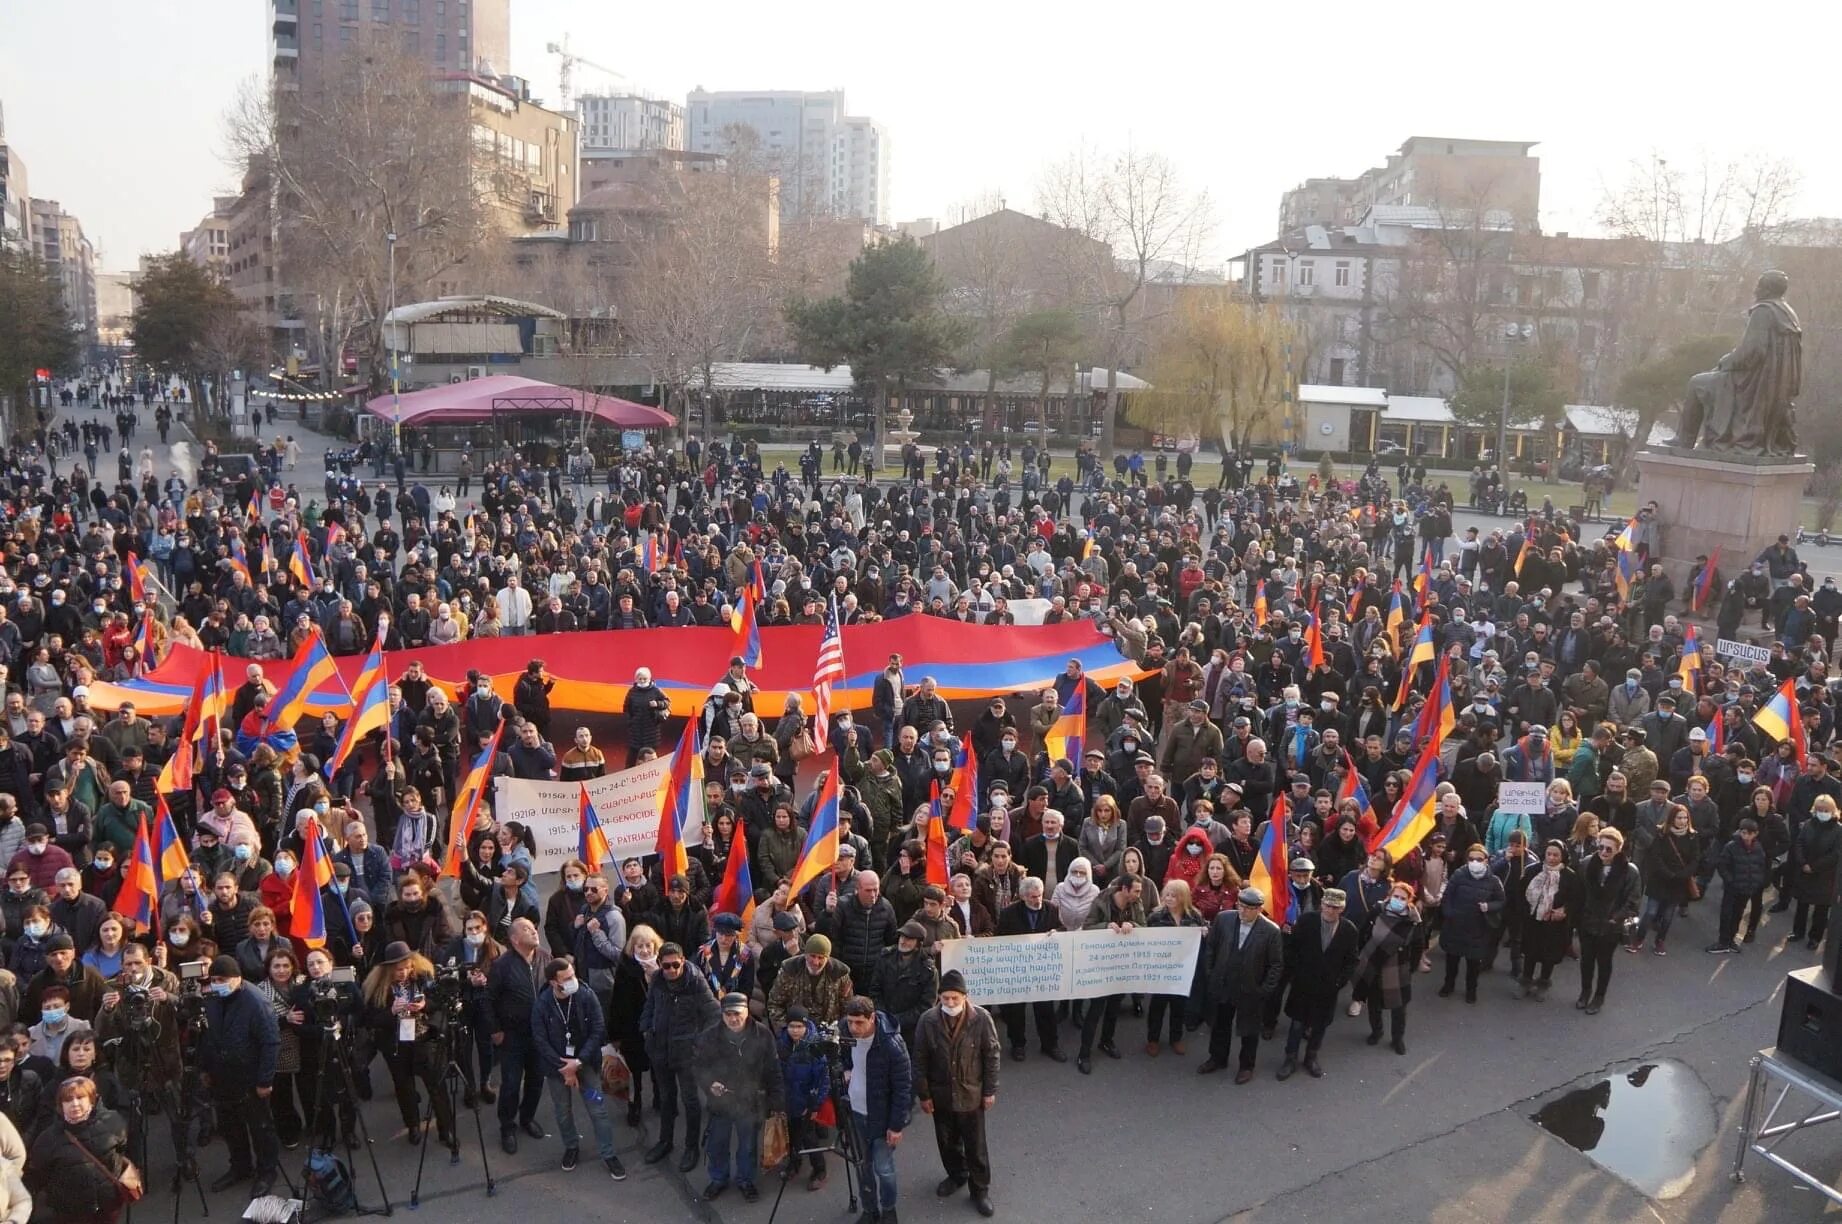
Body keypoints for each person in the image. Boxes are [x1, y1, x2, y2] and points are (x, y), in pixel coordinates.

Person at [911, 969, 999, 1218]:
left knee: (976, 1147)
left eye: (955, 998)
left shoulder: (981, 1018)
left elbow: (992, 1055)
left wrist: (989, 1090)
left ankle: (980, 1190)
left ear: (965, 997)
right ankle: (957, 1175)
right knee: (947, 1142)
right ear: (939, 997)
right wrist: (924, 1095)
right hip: (941, 1096)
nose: (950, 1003)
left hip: (971, 1094)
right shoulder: (927, 1020)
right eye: (945, 998)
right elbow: (919, 1059)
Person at [532, 957, 625, 1179]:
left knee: (598, 1109)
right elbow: (540, 1038)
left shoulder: (585, 994)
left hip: (585, 1064)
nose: (573, 980)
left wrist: (578, 1062)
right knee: (563, 1111)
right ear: (554, 982)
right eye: (567, 978)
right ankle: (571, 1146)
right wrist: (564, 1067)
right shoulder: (543, 1003)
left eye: (573, 974)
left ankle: (609, 1154)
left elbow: (598, 1029)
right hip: (558, 1069)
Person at [198, 953, 282, 1194]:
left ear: (237, 978)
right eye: (214, 979)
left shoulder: (256, 1002)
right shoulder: (213, 998)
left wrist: (265, 1080)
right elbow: (208, 1036)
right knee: (230, 1125)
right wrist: (205, 1068)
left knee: (260, 1127)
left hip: (250, 1076)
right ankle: (240, 1166)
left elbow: (270, 1042)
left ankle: (267, 1171)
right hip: (222, 1076)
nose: (218, 984)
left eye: (223, 979)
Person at [362, 941, 456, 1149]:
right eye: (398, 970)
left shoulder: (424, 978)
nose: (403, 973)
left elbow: (440, 1001)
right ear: (388, 970)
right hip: (396, 1044)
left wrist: (425, 1005)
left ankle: (445, 1129)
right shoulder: (377, 988)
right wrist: (391, 1012)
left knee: (437, 1086)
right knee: (404, 1087)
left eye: (407, 967)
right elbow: (370, 1020)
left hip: (424, 1040)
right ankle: (413, 1125)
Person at [694, 991, 783, 1203]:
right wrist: (709, 1085)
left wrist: (777, 1101)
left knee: (748, 1146)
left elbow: (773, 1069)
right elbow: (698, 1066)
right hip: (721, 1102)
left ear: (747, 1011)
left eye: (737, 1013)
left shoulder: (763, 1035)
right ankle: (718, 1179)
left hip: (750, 1102)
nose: (733, 1019)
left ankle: (746, 1180)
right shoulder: (709, 1037)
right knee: (717, 1145)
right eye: (728, 1014)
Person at [639, 941, 720, 1171]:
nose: (672, 970)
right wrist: (645, 1028)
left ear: (683, 961)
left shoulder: (695, 983)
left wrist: (698, 1042)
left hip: (686, 1054)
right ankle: (665, 1141)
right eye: (667, 966)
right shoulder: (657, 980)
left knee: (690, 1101)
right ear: (660, 965)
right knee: (666, 1099)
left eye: (676, 964)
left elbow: (714, 1014)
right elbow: (650, 1005)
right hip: (660, 1049)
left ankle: (691, 1147)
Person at [1197, 886, 1283, 1083]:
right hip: (1224, 983)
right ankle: (1217, 1058)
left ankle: (1246, 1066)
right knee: (1220, 1025)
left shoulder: (1270, 931)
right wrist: (1211, 974)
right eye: (1240, 906)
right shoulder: (1224, 919)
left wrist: (1264, 990)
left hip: (1250, 989)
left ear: (1259, 909)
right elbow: (1211, 948)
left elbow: (1276, 965)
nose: (1242, 911)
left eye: (1248, 908)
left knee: (1249, 1030)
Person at [1276, 887, 1359, 1080]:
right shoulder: (1306, 922)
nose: (1330, 910)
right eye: (1328, 906)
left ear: (1342, 909)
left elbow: (1352, 960)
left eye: (1335, 907)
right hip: (1303, 985)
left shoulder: (1349, 930)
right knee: (1297, 1024)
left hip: (1328, 988)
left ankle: (1311, 1057)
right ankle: (1290, 1058)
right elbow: (1291, 949)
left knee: (1320, 1025)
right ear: (1321, 904)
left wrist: (1339, 981)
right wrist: (1297, 973)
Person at [27, 1077, 130, 1224]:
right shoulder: (47, 1139)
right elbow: (40, 1174)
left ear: (91, 1099)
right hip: (70, 1213)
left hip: (108, 1205)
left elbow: (121, 1150)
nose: (74, 1104)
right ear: (60, 1105)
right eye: (68, 1100)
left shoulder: (112, 1121)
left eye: (80, 1097)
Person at [485, 917, 548, 1153]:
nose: (534, 931)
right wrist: (495, 1030)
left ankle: (527, 1117)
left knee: (536, 1080)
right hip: (512, 1036)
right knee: (511, 1083)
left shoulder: (544, 957)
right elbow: (488, 1000)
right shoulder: (502, 965)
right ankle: (507, 1126)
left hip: (539, 1034)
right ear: (514, 939)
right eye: (526, 929)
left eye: (533, 927)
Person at [992, 879, 1067, 1065]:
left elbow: (1062, 928)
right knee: (1016, 1010)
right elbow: (999, 939)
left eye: (1040, 895)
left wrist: (1056, 932)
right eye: (1033, 897)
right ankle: (1018, 1045)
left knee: (1045, 1009)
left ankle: (1050, 1044)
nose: (1037, 900)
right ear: (1023, 896)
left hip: (1042, 969)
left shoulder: (1052, 909)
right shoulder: (1009, 913)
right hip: (1018, 969)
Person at [1575, 826, 1640, 1015]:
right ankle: (1585, 991)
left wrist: (1615, 919)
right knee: (1586, 960)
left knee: (1604, 962)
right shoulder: (1587, 863)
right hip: (1588, 922)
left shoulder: (1629, 871)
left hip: (1610, 927)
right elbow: (1579, 892)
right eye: (1601, 847)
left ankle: (1599, 996)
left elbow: (1633, 901)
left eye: (1609, 849)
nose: (1603, 852)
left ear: (1619, 849)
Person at [1351, 881, 1421, 1054]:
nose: (1398, 900)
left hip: (1397, 967)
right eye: (1395, 896)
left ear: (1409, 900)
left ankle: (1398, 1039)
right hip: (1373, 962)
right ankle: (1376, 1032)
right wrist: (1360, 956)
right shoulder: (1377, 911)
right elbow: (1363, 933)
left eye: (1402, 898)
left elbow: (1418, 946)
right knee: (1374, 1003)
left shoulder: (1413, 920)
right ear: (1389, 896)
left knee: (1399, 1008)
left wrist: (1411, 968)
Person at [1145, 879, 1206, 1058]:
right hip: (1161, 970)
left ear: (1183, 897)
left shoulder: (1194, 916)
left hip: (1183, 971)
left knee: (1179, 1006)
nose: (1169, 899)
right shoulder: (1155, 917)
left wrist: (1204, 932)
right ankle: (1153, 1039)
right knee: (1157, 1007)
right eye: (1167, 895)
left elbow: (1203, 936)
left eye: (1174, 896)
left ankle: (1176, 1038)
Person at [1439, 844, 1505, 1004]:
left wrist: (1488, 907)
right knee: (1452, 960)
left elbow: (1501, 901)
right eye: (1471, 859)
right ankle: (1448, 985)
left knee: (1473, 964)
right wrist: (1449, 914)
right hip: (1456, 926)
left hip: (1478, 928)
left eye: (1479, 859)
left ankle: (1471, 990)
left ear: (1486, 861)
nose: (1475, 862)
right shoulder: (1459, 875)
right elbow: (1447, 896)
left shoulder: (1493, 880)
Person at [1519, 840, 1581, 998]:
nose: (1552, 858)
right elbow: (1521, 893)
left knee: (1549, 955)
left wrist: (1564, 910)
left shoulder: (1569, 876)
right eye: (1549, 854)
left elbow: (1576, 899)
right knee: (1530, 952)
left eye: (1556, 855)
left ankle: (1543, 983)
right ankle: (1525, 981)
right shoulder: (1533, 870)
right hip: (1533, 919)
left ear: (1563, 856)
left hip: (1554, 923)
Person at [1710, 818, 1771, 955]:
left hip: (1747, 888)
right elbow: (1722, 865)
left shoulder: (1758, 847)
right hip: (1732, 888)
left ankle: (1731, 940)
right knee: (1727, 914)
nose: (1746, 836)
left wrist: (1757, 881)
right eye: (1744, 833)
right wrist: (1730, 880)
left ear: (1755, 834)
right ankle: (1723, 941)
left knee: (1738, 914)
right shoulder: (1731, 846)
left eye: (1750, 833)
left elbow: (1761, 866)